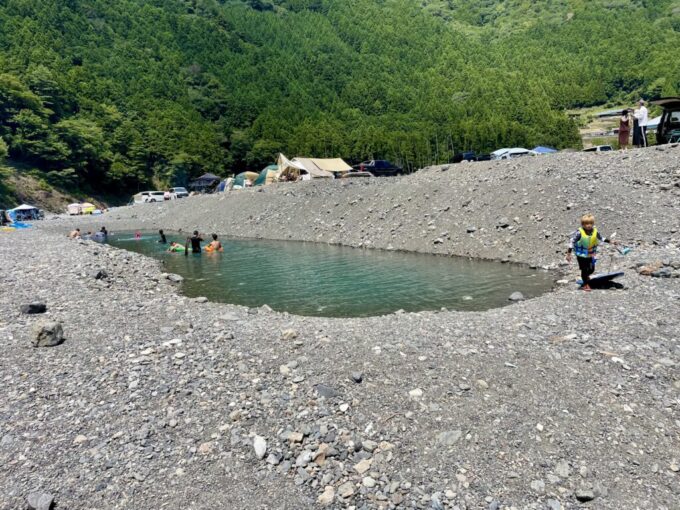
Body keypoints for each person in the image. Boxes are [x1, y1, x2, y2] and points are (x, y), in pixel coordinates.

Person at [566, 213, 617, 291]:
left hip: (590, 254)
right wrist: (568, 254)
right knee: (584, 269)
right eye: (586, 224)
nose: (589, 225)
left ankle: (586, 277)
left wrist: (611, 241)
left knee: (591, 269)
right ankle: (585, 285)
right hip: (581, 255)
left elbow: (601, 238)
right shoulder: (579, 233)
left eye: (590, 223)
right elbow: (571, 242)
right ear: (583, 224)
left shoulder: (595, 231)